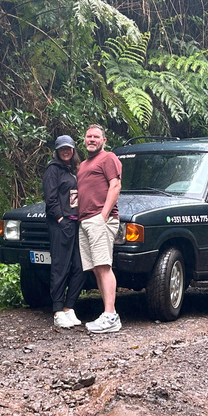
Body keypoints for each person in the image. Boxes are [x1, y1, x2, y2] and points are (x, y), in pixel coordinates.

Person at [77, 124, 122, 333]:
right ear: (84, 139)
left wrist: (103, 216)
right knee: (96, 268)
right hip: (85, 221)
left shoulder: (109, 158)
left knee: (104, 266)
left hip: (100, 219)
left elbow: (115, 186)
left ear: (104, 140)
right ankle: (108, 314)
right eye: (89, 136)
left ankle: (111, 316)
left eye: (96, 137)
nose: (92, 139)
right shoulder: (83, 164)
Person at [42, 135, 88, 328]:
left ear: (73, 149)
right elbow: (50, 197)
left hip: (77, 222)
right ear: (57, 151)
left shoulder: (75, 169)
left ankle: (70, 307)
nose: (66, 151)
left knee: (80, 265)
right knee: (60, 265)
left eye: (68, 148)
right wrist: (60, 218)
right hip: (61, 223)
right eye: (62, 149)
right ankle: (58, 309)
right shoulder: (53, 169)